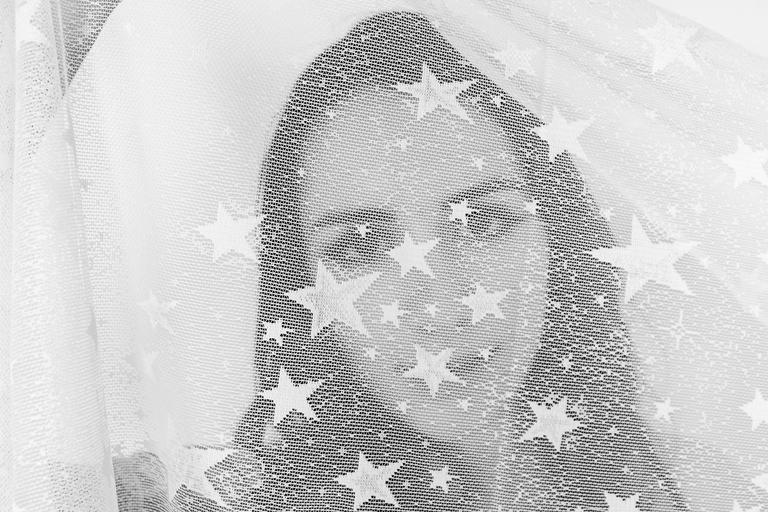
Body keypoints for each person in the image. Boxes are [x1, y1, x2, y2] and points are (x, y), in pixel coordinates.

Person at [171, 10, 688, 512]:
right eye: (359, 246)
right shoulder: (225, 501)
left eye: (483, 221)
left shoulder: (662, 483)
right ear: (298, 282)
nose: (438, 300)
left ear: (561, 239)